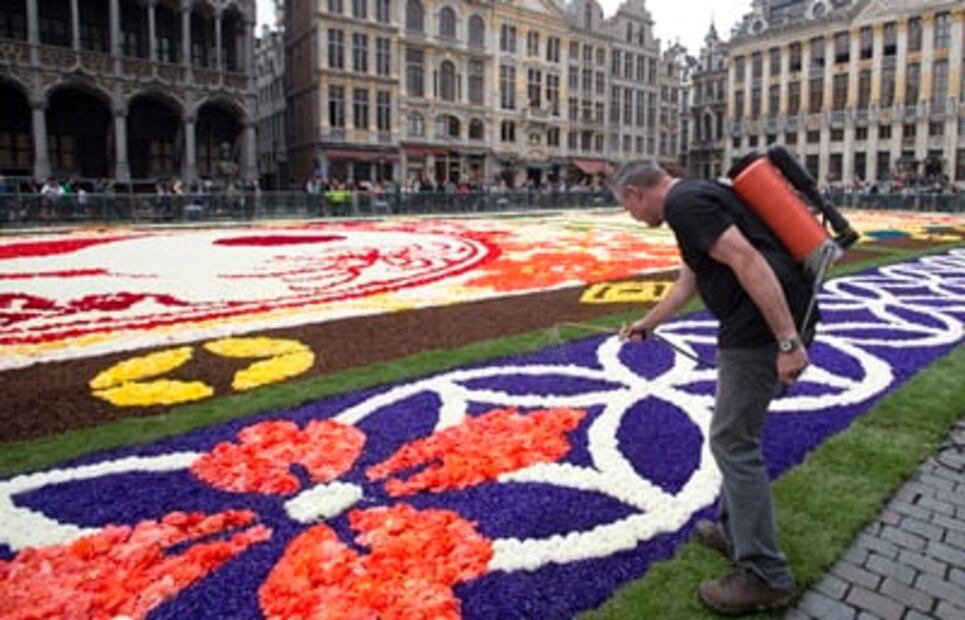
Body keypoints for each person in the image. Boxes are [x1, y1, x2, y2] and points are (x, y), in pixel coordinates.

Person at [610, 161, 814, 615]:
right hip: (755, 327)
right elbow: (690, 281)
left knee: (733, 441)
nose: (633, 218)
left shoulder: (685, 205)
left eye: (627, 208)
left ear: (633, 195)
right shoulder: (695, 196)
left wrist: (787, 341)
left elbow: (747, 260)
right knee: (733, 438)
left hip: (760, 331)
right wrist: (647, 324)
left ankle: (765, 575)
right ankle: (737, 533)